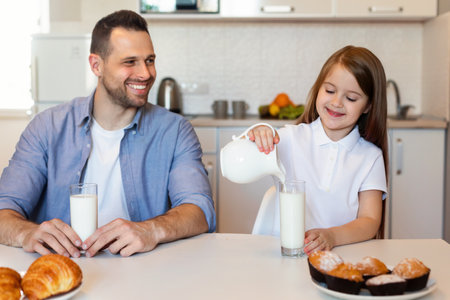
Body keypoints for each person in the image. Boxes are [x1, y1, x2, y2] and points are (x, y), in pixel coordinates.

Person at [0, 10, 215, 258]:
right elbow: (5, 208)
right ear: (96, 65)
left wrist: (151, 230)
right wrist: (25, 233)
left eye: (150, 60)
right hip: (63, 271)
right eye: (130, 62)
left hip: (144, 272)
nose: (145, 74)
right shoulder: (47, 127)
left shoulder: (175, 131)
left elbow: (200, 209)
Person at [248, 45, 388, 255]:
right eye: (329, 90)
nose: (336, 102)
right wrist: (257, 134)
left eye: (351, 98)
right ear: (318, 88)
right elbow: (242, 160)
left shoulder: (370, 157)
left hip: (341, 258)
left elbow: (370, 220)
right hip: (285, 257)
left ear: (368, 106)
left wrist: (331, 236)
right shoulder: (290, 138)